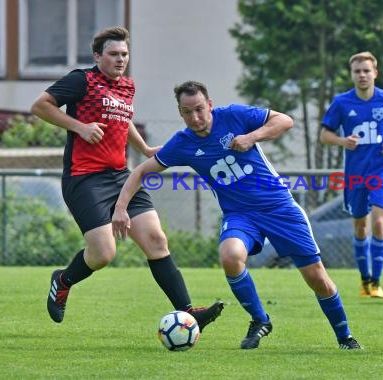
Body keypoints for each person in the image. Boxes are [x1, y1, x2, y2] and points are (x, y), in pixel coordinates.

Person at [112, 80, 362, 350]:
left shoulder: (233, 115)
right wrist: (120, 208)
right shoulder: (182, 143)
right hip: (240, 215)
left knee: (317, 278)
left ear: (209, 105)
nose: (195, 118)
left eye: (199, 109)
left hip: (280, 208)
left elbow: (285, 121)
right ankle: (260, 320)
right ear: (180, 113)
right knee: (230, 256)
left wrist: (251, 137)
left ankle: (345, 337)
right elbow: (139, 172)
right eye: (187, 112)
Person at [30, 26, 223, 329]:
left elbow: (124, 119)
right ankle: (63, 280)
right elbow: (40, 106)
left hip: (120, 176)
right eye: (113, 54)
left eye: (124, 54)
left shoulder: (127, 86)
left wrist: (144, 148)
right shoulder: (82, 80)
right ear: (98, 56)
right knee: (104, 253)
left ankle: (188, 312)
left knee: (157, 240)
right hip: (85, 179)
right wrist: (79, 127)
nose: (120, 59)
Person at [320, 52, 383, 298]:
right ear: (352, 74)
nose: (362, 75)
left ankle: (376, 282)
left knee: (378, 222)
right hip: (355, 174)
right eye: (357, 71)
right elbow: (324, 135)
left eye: (366, 70)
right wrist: (342, 141)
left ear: (375, 73)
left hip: (381, 170)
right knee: (360, 227)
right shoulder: (341, 102)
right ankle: (365, 280)